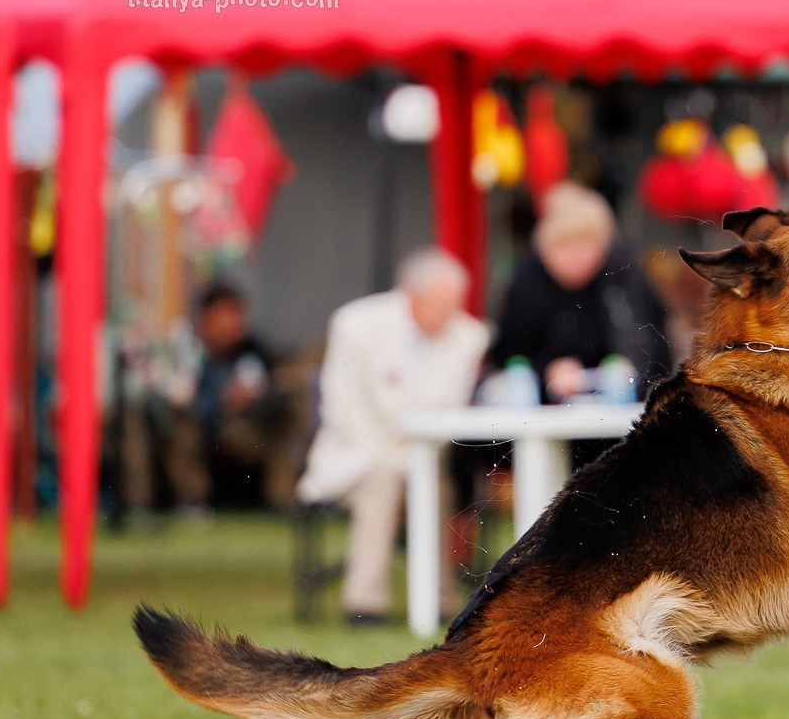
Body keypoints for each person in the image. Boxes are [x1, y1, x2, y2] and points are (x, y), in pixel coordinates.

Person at [297, 249, 490, 624]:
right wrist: (393, 457)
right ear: (411, 296)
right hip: (357, 454)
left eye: (454, 304)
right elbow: (341, 408)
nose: (448, 313)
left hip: (423, 457)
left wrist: (409, 458)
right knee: (382, 479)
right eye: (439, 303)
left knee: (433, 483)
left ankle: (439, 600)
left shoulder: (469, 336)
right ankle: (366, 602)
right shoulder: (356, 324)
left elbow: (448, 411)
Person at [121, 281, 299, 516]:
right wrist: (223, 400)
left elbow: (271, 378)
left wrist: (261, 392)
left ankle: (283, 501)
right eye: (226, 315)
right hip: (194, 426)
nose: (235, 323)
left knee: (287, 407)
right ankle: (187, 501)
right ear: (205, 319)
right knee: (178, 421)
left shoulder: (252, 348)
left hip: (241, 429)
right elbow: (180, 394)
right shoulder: (187, 350)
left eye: (238, 314)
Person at [489, 182, 673, 401]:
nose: (576, 258)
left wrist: (626, 366)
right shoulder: (527, 283)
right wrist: (546, 371)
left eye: (586, 246)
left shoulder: (622, 277)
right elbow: (508, 353)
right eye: (564, 246)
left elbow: (652, 345)